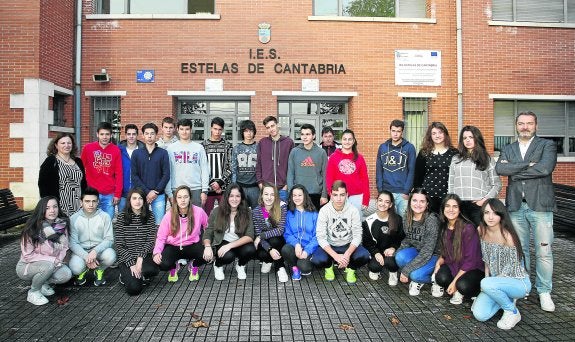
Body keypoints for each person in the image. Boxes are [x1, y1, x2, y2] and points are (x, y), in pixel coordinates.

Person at [495, 111, 557, 312]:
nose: (525, 127)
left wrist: (514, 168)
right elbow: (500, 170)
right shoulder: (509, 147)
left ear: (536, 126)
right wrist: (526, 165)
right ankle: (523, 287)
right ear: (516, 126)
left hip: (540, 205)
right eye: (521, 123)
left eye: (529, 123)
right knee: (520, 251)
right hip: (515, 205)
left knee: (544, 251)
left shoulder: (547, 145)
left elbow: (545, 169)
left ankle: (544, 291)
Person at [472, 199, 531, 330]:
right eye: (487, 212)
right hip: (495, 283)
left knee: (486, 284)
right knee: (480, 315)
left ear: (501, 215)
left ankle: (512, 312)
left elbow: (512, 268)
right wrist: (488, 280)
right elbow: (486, 259)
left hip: (518, 282)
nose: (490, 217)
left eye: (495, 213)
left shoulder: (508, 236)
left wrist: (489, 283)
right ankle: (505, 299)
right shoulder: (481, 230)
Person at [16, 197, 72, 305]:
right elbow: (28, 255)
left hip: (51, 264)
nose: (52, 210)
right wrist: (52, 260)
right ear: (41, 210)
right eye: (47, 208)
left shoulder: (61, 225)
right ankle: (33, 292)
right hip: (27, 266)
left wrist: (58, 260)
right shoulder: (32, 229)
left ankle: (42, 283)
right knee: (48, 266)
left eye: (55, 207)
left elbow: (65, 247)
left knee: (66, 274)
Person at [311, 181, 369, 284]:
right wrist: (336, 256)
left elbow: (357, 235)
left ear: (347, 195)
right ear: (331, 195)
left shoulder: (353, 210)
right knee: (317, 259)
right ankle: (329, 267)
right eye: (335, 195)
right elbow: (321, 237)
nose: (338, 199)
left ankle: (351, 269)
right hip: (331, 245)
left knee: (364, 255)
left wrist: (347, 254)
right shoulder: (324, 211)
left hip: (348, 244)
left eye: (342, 195)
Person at [431, 194, 484, 305]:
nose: (451, 209)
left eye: (455, 206)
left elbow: (470, 261)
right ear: (443, 209)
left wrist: (455, 282)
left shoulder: (468, 228)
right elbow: (445, 253)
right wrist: (439, 262)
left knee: (462, 285)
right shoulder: (444, 226)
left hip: (472, 268)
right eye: (447, 206)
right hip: (455, 264)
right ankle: (458, 285)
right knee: (440, 278)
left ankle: (469, 291)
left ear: (460, 210)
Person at [153, 185, 209, 282]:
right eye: (179, 197)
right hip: (174, 246)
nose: (182, 200)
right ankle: (174, 266)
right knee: (162, 263)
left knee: (208, 254)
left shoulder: (199, 212)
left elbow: (208, 227)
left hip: (192, 245)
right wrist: (157, 252)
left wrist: (208, 245)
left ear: (190, 198)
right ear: (175, 200)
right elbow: (161, 237)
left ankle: (193, 265)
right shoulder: (169, 215)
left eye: (185, 197)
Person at [448, 125, 501, 226]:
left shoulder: (487, 159)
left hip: (478, 206)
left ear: (477, 138)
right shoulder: (455, 159)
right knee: (460, 237)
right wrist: (452, 202)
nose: (467, 140)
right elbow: (451, 183)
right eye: (465, 138)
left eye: (471, 137)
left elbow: (497, 184)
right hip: (459, 205)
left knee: (478, 237)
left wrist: (483, 201)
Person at [202, 184, 256, 280]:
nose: (234, 199)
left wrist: (229, 246)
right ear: (226, 197)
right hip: (222, 241)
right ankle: (218, 265)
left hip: (239, 241)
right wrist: (207, 246)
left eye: (237, 196)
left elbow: (249, 236)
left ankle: (240, 265)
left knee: (251, 250)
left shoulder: (247, 212)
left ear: (241, 198)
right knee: (228, 257)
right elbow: (209, 230)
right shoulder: (216, 211)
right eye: (231, 196)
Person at [395, 188, 440, 296]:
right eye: (415, 200)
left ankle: (437, 280)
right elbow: (408, 238)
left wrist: (406, 270)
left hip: (434, 255)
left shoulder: (431, 220)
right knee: (399, 257)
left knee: (415, 275)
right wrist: (397, 251)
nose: (418, 204)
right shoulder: (407, 216)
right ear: (410, 201)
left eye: (422, 201)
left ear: (427, 204)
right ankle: (418, 272)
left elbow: (427, 251)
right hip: (418, 251)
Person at [115, 188, 159, 295]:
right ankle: (125, 275)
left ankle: (141, 275)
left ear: (144, 201)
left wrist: (140, 258)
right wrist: (131, 264)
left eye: (140, 198)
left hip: (143, 256)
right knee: (134, 290)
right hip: (126, 258)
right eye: (134, 198)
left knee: (152, 269)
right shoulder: (121, 217)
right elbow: (119, 245)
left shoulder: (150, 216)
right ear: (129, 200)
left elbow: (150, 240)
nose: (137, 201)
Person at [69, 187, 116, 286]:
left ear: (98, 202)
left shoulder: (105, 217)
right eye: (87, 201)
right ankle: (83, 270)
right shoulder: (73, 218)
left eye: (94, 201)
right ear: (81, 202)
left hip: (99, 251)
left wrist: (95, 251)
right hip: (81, 251)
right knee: (75, 268)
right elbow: (73, 243)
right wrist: (87, 257)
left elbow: (109, 239)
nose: (91, 204)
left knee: (111, 256)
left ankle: (99, 270)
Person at [80, 121, 123, 219]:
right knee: (91, 221)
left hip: (109, 194)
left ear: (111, 135)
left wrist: (117, 194)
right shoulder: (88, 148)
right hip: (92, 193)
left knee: (107, 222)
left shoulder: (115, 150)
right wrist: (82, 192)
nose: (104, 137)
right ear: (97, 134)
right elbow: (80, 170)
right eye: (102, 134)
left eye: (107, 134)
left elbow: (119, 173)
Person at [413, 122, 458, 213]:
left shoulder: (454, 153)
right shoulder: (424, 153)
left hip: (448, 196)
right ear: (430, 136)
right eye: (434, 133)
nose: (437, 136)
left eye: (440, 132)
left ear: (445, 134)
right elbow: (418, 176)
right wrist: (418, 194)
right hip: (428, 196)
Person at [362, 191, 405, 286]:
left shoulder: (397, 219)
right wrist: (376, 253)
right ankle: (376, 269)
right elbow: (367, 242)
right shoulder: (368, 221)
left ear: (390, 205)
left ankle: (393, 272)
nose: (383, 204)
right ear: (376, 202)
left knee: (391, 263)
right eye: (380, 200)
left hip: (391, 253)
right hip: (377, 252)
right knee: (374, 267)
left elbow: (401, 238)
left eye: (386, 202)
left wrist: (393, 248)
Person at [38, 133, 87, 216]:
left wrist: (84, 199)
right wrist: (50, 206)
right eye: (63, 143)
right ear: (56, 145)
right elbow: (42, 185)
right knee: (62, 228)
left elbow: (83, 183)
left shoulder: (78, 161)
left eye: (69, 143)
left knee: (77, 228)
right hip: (59, 206)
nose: (66, 145)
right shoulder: (50, 161)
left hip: (78, 205)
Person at [131, 123, 170, 225]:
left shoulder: (163, 153)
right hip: (141, 196)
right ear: (143, 135)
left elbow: (166, 175)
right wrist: (147, 192)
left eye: (152, 133)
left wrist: (156, 191)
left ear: (156, 135)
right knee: (140, 224)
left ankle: (156, 242)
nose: (149, 136)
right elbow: (134, 176)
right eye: (147, 133)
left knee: (159, 224)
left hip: (158, 195)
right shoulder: (136, 153)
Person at [325, 129, 370, 219]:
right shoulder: (334, 157)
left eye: (350, 139)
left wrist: (366, 199)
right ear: (341, 141)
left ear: (353, 141)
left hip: (356, 196)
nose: (347, 141)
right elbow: (329, 178)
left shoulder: (359, 158)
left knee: (356, 224)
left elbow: (365, 179)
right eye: (345, 139)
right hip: (339, 195)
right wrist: (332, 195)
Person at [376, 119, 416, 216]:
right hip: (386, 191)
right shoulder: (383, 147)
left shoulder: (409, 148)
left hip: (402, 193)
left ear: (402, 132)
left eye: (398, 131)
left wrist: (406, 191)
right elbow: (379, 170)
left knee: (403, 222)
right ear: (390, 130)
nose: (395, 134)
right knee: (387, 221)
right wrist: (380, 190)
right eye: (393, 131)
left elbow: (412, 171)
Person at [165, 119, 209, 207]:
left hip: (196, 189)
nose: (184, 132)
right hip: (177, 189)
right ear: (177, 130)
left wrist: (204, 190)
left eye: (187, 129)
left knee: (196, 218)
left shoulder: (199, 148)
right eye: (181, 129)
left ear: (191, 130)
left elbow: (205, 169)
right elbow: (167, 172)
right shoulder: (170, 149)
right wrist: (169, 193)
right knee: (178, 219)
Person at [281, 184, 319, 280]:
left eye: (300, 195)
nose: (297, 198)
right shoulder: (289, 214)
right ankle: (295, 268)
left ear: (305, 196)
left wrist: (307, 250)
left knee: (305, 268)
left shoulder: (314, 214)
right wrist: (296, 244)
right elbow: (287, 234)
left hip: (309, 248)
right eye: (294, 195)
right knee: (285, 249)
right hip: (295, 247)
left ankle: (302, 263)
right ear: (291, 197)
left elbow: (317, 236)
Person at [252, 183, 288, 282]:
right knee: (260, 252)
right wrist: (270, 249)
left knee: (274, 240)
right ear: (262, 195)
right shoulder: (256, 212)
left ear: (276, 196)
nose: (269, 197)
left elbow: (280, 230)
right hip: (265, 243)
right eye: (266, 194)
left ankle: (280, 268)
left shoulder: (282, 207)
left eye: (272, 194)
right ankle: (268, 260)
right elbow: (257, 232)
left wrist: (261, 236)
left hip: (279, 240)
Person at [287, 123, 328, 210]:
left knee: (314, 222)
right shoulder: (294, 152)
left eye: (308, 134)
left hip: (316, 194)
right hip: (299, 194)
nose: (304, 137)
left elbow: (325, 175)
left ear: (313, 136)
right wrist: (291, 193)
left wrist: (324, 195)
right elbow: (290, 173)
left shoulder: (321, 153)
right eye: (302, 134)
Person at [256, 116, 294, 202]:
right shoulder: (262, 143)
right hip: (266, 189)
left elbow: (292, 166)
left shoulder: (288, 142)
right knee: (266, 214)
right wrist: (260, 184)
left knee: (282, 214)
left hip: (283, 189)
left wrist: (287, 185)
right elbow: (258, 165)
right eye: (268, 127)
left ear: (278, 125)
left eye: (272, 126)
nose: (271, 129)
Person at [201, 117, 233, 216]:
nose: (217, 132)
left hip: (223, 188)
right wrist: (212, 183)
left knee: (225, 215)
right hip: (208, 188)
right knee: (206, 216)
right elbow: (201, 168)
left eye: (219, 129)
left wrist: (219, 182)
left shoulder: (227, 146)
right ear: (211, 128)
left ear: (222, 130)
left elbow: (231, 166)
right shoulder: (203, 146)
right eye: (215, 129)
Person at [231, 119, 259, 208]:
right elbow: (234, 169)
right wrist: (234, 187)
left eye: (251, 131)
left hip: (255, 187)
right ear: (242, 133)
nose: (249, 133)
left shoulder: (259, 147)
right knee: (241, 214)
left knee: (258, 214)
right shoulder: (237, 148)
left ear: (254, 132)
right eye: (246, 131)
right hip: (240, 187)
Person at [118, 124, 145, 211]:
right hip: (123, 192)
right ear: (125, 135)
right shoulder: (119, 150)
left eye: (134, 134)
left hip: (139, 193)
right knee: (122, 218)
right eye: (129, 134)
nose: (131, 136)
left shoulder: (143, 151)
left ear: (137, 135)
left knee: (139, 219)